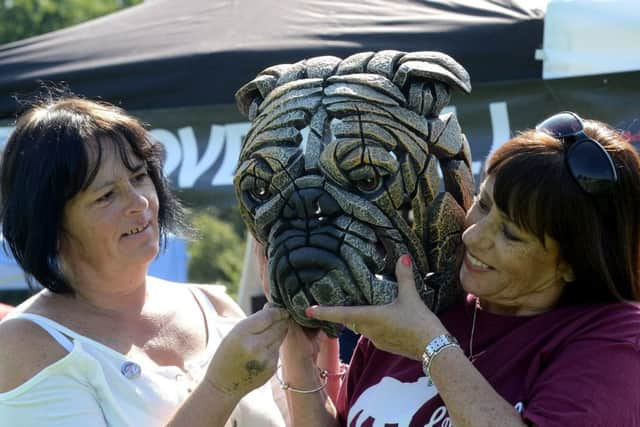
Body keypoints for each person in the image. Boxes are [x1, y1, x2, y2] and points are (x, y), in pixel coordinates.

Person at [281, 111, 640, 426]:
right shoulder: (424, 301)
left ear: (574, 264)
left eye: (510, 234)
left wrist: (430, 345)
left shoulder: (617, 339)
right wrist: (298, 355)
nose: (473, 235)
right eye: (483, 204)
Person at [0, 94, 290, 426]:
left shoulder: (214, 306)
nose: (139, 202)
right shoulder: (25, 346)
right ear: (50, 223)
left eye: (139, 176)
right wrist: (219, 389)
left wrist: (298, 344)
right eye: (106, 195)